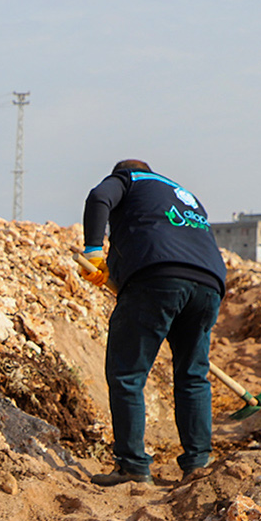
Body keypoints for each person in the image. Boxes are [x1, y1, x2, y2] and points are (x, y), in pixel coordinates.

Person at [81, 160, 226, 486]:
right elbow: (159, 234)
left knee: (127, 374)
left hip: (156, 277)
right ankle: (197, 464)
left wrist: (93, 251)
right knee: (193, 375)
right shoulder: (182, 194)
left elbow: (99, 197)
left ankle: (132, 465)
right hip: (209, 284)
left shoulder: (128, 179)